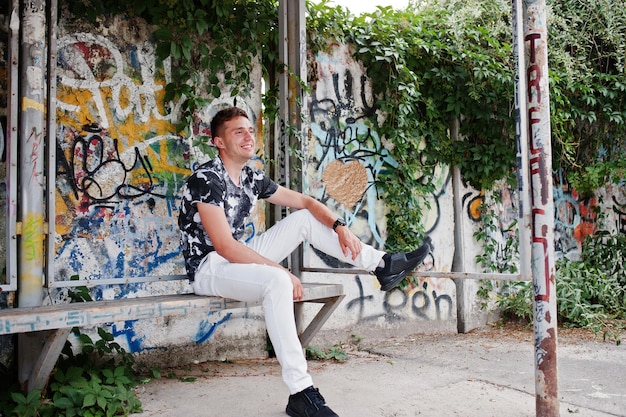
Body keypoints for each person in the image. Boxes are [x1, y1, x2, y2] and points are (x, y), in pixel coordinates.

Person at [178, 106, 431, 417]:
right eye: (238, 131)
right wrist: (282, 271)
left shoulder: (250, 178)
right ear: (218, 141)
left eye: (250, 130)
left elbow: (307, 203)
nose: (248, 136)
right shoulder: (206, 179)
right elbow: (226, 247)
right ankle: (301, 392)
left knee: (303, 220)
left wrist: (340, 227)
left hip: (234, 261)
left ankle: (382, 264)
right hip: (209, 268)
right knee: (277, 281)